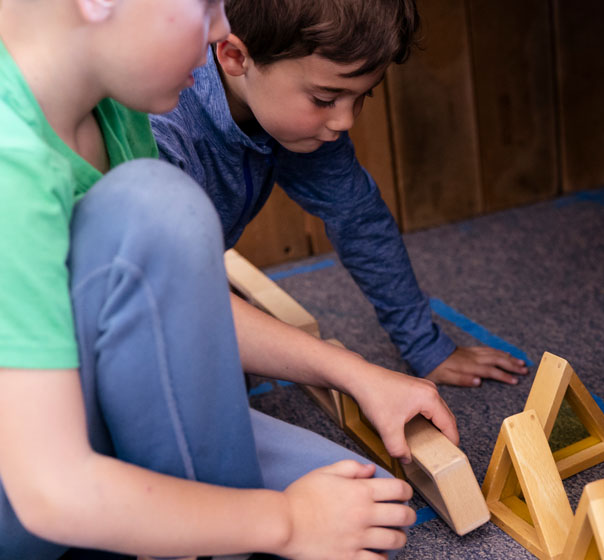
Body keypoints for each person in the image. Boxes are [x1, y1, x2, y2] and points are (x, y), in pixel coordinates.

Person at [0, 1, 458, 559]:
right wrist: (286, 522)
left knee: (366, 502)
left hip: (76, 416)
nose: (221, 27)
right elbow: (51, 493)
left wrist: (356, 374)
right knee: (156, 204)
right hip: (29, 492)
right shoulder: (12, 166)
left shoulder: (119, 113)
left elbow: (172, 306)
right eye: (204, 5)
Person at [150, 0, 530, 389]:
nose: (345, 120)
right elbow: (159, 285)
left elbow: (359, 220)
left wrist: (425, 346)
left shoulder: (296, 119)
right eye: (325, 98)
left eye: (363, 96)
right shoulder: (160, 129)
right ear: (234, 56)